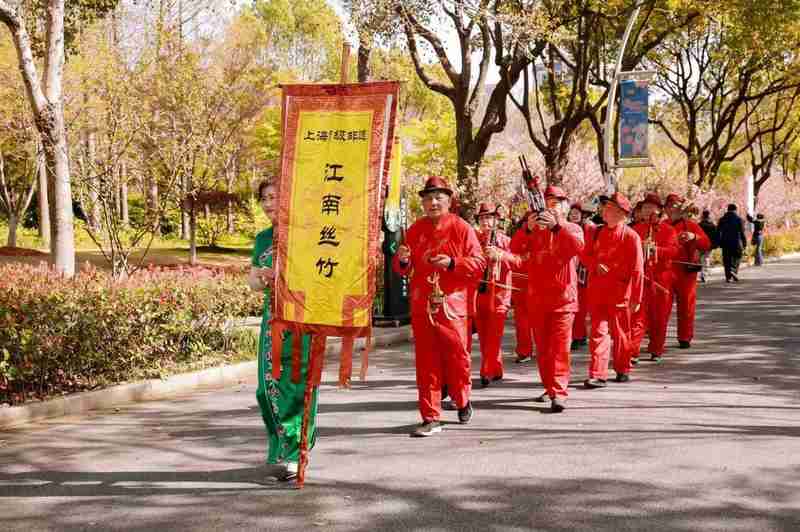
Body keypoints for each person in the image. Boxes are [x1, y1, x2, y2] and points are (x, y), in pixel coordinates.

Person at [393, 176, 485, 437]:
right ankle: (430, 416)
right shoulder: (415, 229)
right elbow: (403, 268)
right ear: (422, 202)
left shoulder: (462, 228)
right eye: (428, 198)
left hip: (452, 305)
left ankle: (462, 398)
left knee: (458, 358)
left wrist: (453, 263)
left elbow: (478, 263)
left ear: (448, 201)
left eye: (438, 198)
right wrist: (402, 260)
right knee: (426, 361)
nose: (433, 203)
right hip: (423, 304)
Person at [491, 186, 584, 413]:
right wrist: (527, 230)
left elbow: (576, 247)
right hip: (537, 299)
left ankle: (559, 392)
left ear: (565, 206)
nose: (551, 207)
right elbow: (518, 253)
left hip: (563, 300)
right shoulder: (535, 232)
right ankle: (551, 387)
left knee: (560, 349)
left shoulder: (572, 228)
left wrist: (556, 227)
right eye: (547, 202)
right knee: (543, 350)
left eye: (556, 203)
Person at [249, 180, 318, 482]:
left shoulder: (305, 235)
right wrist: (262, 280)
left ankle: (295, 452)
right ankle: (281, 447)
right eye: (264, 198)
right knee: (267, 387)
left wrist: (283, 277)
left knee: (297, 383)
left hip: (301, 316)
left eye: (275, 197)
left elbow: (317, 276)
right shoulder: (262, 238)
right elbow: (252, 283)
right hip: (272, 318)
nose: (269, 204)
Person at [581, 192, 644, 387]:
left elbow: (638, 269)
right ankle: (598, 374)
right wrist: (594, 264)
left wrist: (636, 298)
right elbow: (584, 255)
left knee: (620, 333)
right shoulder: (596, 232)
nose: (604, 212)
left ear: (621, 214)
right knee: (597, 332)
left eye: (609, 209)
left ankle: (623, 367)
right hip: (597, 291)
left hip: (620, 294)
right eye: (605, 208)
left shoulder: (631, 236)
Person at [630, 192, 679, 364]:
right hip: (641, 278)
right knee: (637, 316)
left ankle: (656, 348)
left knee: (660, 316)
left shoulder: (669, 230)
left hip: (662, 278)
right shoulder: (635, 230)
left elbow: (674, 251)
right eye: (645, 207)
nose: (648, 210)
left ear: (659, 210)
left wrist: (656, 250)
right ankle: (632, 350)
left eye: (652, 207)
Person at [664, 195, 711, 349]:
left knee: (686, 305)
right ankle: (658, 339)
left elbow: (706, 244)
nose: (673, 209)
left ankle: (685, 337)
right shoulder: (661, 225)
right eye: (669, 206)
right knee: (663, 306)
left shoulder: (691, 225)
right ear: (665, 209)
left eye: (676, 206)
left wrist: (694, 237)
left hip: (686, 270)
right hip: (666, 270)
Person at [474, 202, 513, 387]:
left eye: (489, 218)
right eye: (482, 218)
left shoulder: (505, 241)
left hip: (499, 294)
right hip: (479, 293)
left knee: (494, 335)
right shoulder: (473, 239)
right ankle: (496, 368)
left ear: (496, 220)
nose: (485, 222)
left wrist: (501, 255)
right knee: (483, 335)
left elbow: (518, 261)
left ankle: (486, 371)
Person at [568, 202, 595, 350]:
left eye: (577, 212)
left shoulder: (589, 228)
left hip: (584, 269)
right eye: (572, 212)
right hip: (572, 266)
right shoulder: (567, 227)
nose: (574, 215)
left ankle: (579, 335)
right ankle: (577, 334)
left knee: (581, 304)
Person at [509, 212, 534, 363]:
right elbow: (513, 249)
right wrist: (527, 231)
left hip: (541, 283)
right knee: (522, 319)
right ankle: (524, 351)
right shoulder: (521, 233)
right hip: (521, 282)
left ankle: (546, 352)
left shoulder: (547, 231)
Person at [717, 204, 748, 283]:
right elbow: (742, 232)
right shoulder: (739, 219)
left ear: (728, 209)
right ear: (735, 209)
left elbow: (718, 232)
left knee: (727, 260)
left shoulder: (722, 219)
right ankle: (733, 270)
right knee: (737, 257)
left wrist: (718, 242)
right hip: (736, 242)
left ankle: (728, 277)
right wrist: (744, 243)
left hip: (725, 242)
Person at [697, 210, 718, 282]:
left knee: (699, 259)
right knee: (706, 259)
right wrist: (715, 245)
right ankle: (704, 275)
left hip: (700, 244)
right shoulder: (712, 225)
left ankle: (699, 274)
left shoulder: (699, 225)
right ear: (709, 216)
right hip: (708, 245)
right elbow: (715, 236)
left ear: (702, 216)